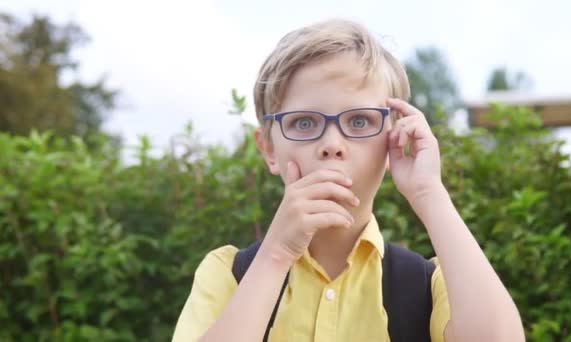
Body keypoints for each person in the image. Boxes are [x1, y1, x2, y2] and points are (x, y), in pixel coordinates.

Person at [172, 18, 525, 342]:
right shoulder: (228, 274)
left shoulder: (428, 285)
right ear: (268, 149)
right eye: (305, 123)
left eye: (359, 122)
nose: (331, 146)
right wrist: (277, 253)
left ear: (395, 139)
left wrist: (429, 192)